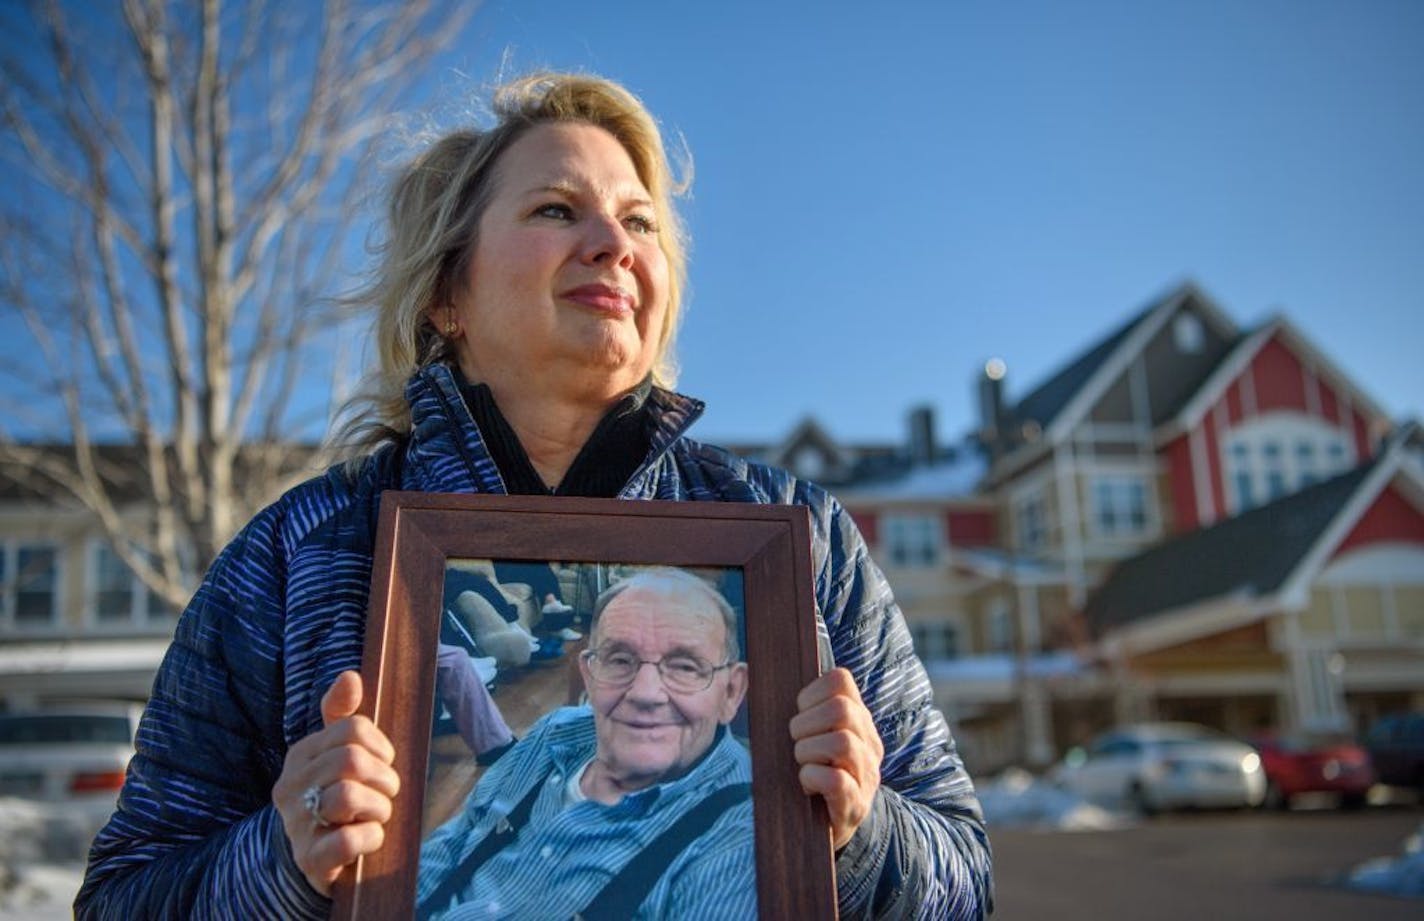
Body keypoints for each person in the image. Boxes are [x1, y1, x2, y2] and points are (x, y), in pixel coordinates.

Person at [76, 73, 992, 919]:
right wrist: (281, 858)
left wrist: (864, 832)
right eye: (559, 209)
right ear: (445, 294)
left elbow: (965, 878)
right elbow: (122, 897)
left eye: (640, 224)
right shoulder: (300, 551)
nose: (613, 246)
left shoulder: (800, 542)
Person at [417, 569, 753, 920]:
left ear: (731, 691)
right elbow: (454, 842)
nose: (645, 693)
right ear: (590, 675)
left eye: (684, 667)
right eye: (620, 660)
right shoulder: (554, 733)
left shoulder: (739, 840)